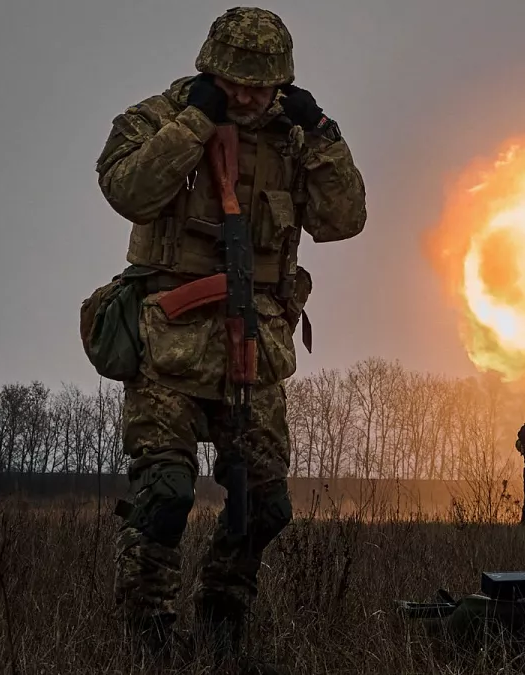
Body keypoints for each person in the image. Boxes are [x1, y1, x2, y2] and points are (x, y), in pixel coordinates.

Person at [92, 6, 367, 668]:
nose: (247, 95)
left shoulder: (297, 139)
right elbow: (127, 189)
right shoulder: (157, 118)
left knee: (265, 504)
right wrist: (195, 123)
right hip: (170, 348)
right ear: (210, 70)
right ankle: (148, 628)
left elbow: (344, 219)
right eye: (234, 82)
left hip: (255, 348)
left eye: (261, 84)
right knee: (165, 494)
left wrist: (323, 131)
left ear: (282, 82)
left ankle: (222, 615)